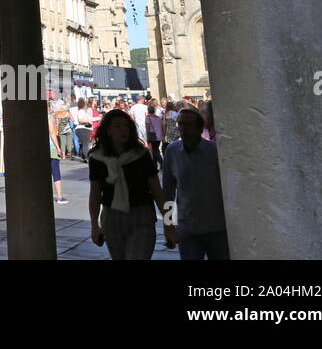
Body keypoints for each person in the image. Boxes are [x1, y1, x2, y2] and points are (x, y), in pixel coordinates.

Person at [88, 109, 177, 260]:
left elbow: (157, 191)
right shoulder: (97, 157)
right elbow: (95, 194)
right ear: (108, 130)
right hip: (111, 218)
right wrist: (94, 226)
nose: (123, 130)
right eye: (117, 126)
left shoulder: (141, 155)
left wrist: (169, 224)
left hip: (141, 217)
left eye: (126, 126)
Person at [162, 107, 229, 259]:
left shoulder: (214, 152)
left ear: (200, 128)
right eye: (180, 124)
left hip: (217, 228)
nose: (182, 128)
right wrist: (168, 226)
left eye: (187, 125)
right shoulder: (172, 152)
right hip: (187, 229)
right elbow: (167, 192)